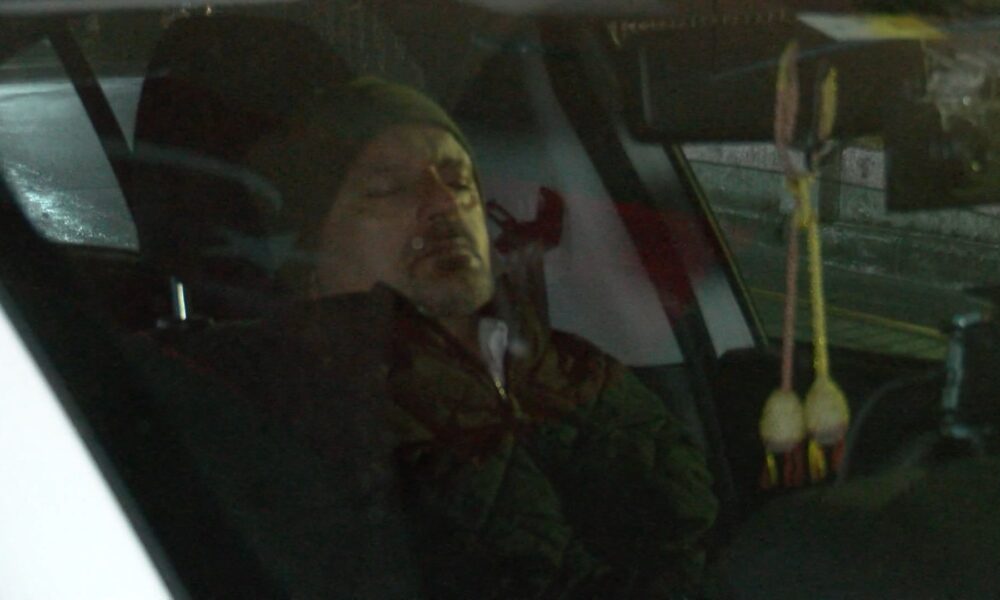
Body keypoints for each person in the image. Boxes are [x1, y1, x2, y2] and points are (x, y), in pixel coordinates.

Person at [235, 76, 720, 598]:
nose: (443, 202)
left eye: (459, 180)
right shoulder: (295, 409)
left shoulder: (578, 365)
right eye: (387, 188)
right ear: (309, 251)